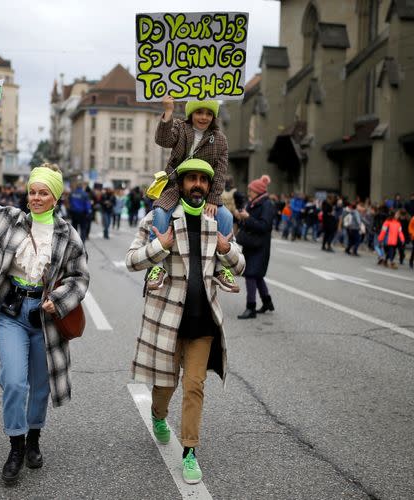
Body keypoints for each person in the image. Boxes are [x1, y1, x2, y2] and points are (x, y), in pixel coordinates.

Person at [0, 143, 89, 485]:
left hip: (45, 317)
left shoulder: (67, 234)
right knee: (14, 382)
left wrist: (58, 299)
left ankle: (33, 440)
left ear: (55, 198)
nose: (37, 197)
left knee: (39, 385)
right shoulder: (10, 220)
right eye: (33, 191)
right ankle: (15, 445)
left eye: (44, 192)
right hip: (11, 312)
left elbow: (80, 276)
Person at [125, 158, 244, 485]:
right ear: (180, 184)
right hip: (168, 319)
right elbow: (131, 260)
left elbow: (240, 263)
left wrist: (227, 249)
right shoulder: (158, 219)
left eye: (202, 181)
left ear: (209, 186)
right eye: (191, 179)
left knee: (194, 386)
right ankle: (157, 414)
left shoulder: (216, 221)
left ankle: (190, 451)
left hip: (203, 321)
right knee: (167, 384)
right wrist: (159, 246)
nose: (197, 185)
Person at [147, 96, 237, 293]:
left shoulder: (220, 140)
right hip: (175, 187)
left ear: (213, 116)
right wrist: (168, 111)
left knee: (227, 216)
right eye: (199, 112)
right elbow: (162, 140)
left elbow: (220, 173)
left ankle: (222, 269)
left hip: (203, 192)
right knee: (160, 213)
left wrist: (213, 199)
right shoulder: (180, 128)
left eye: (208, 113)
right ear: (191, 114)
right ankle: (156, 267)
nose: (203, 117)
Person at [235, 175, 275, 319]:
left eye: (251, 190)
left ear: (258, 191)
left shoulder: (267, 205)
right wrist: (240, 218)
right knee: (257, 276)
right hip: (251, 244)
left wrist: (247, 218)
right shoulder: (253, 203)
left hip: (260, 246)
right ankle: (267, 302)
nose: (249, 193)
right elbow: (248, 224)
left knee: (251, 275)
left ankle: (250, 308)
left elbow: (265, 226)